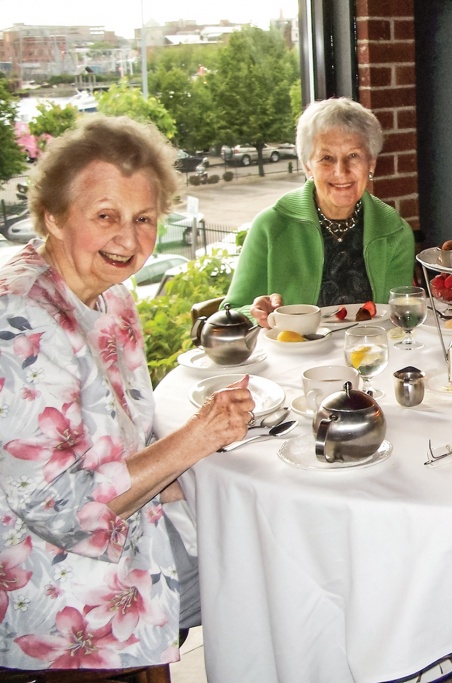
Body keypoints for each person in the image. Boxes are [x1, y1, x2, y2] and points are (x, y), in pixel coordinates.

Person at [0, 115, 255, 670]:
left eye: (144, 219)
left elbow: (127, 442)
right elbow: (64, 511)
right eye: (105, 216)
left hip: (128, 529)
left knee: (265, 534)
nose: (128, 239)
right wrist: (198, 438)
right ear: (53, 217)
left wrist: (208, 457)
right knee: (264, 568)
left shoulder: (109, 296)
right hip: (49, 581)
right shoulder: (19, 319)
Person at [223, 97, 415, 327]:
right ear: (307, 166)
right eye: (326, 158)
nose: (341, 171)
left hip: (371, 355)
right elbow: (233, 312)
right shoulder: (272, 226)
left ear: (371, 163)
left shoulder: (394, 231)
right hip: (294, 357)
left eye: (353, 156)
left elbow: (397, 320)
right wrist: (257, 313)